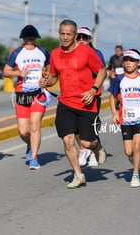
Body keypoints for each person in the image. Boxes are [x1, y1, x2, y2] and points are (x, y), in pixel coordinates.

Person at [39, 20, 107, 189]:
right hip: (66, 102)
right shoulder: (55, 54)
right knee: (68, 140)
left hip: (86, 102)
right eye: (62, 34)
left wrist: (93, 89)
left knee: (85, 143)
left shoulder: (86, 51)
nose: (65, 37)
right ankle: (78, 175)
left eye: (69, 34)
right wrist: (46, 82)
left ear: (75, 35)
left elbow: (102, 71)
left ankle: (96, 145)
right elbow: (54, 77)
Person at [3, 25, 50, 170]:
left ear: (35, 37)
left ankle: (34, 158)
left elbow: (50, 69)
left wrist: (46, 78)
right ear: (23, 38)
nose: (29, 38)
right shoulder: (17, 53)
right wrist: (18, 74)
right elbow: (6, 71)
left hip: (38, 93)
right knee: (23, 131)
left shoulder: (43, 52)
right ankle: (30, 145)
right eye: (27, 36)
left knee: (35, 125)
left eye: (32, 36)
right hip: (22, 94)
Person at [109, 49, 140, 188]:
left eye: (132, 60)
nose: (128, 63)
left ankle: (135, 174)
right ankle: (132, 158)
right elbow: (112, 96)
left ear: (139, 63)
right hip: (125, 117)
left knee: (137, 145)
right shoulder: (119, 79)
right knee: (129, 151)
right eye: (126, 60)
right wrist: (114, 113)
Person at [75, 27, 106, 167]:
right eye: (79, 37)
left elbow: (101, 72)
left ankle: (93, 153)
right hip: (76, 94)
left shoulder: (97, 53)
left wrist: (93, 88)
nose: (82, 40)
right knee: (75, 126)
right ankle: (83, 149)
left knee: (90, 124)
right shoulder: (72, 52)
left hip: (93, 94)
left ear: (90, 39)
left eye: (85, 37)